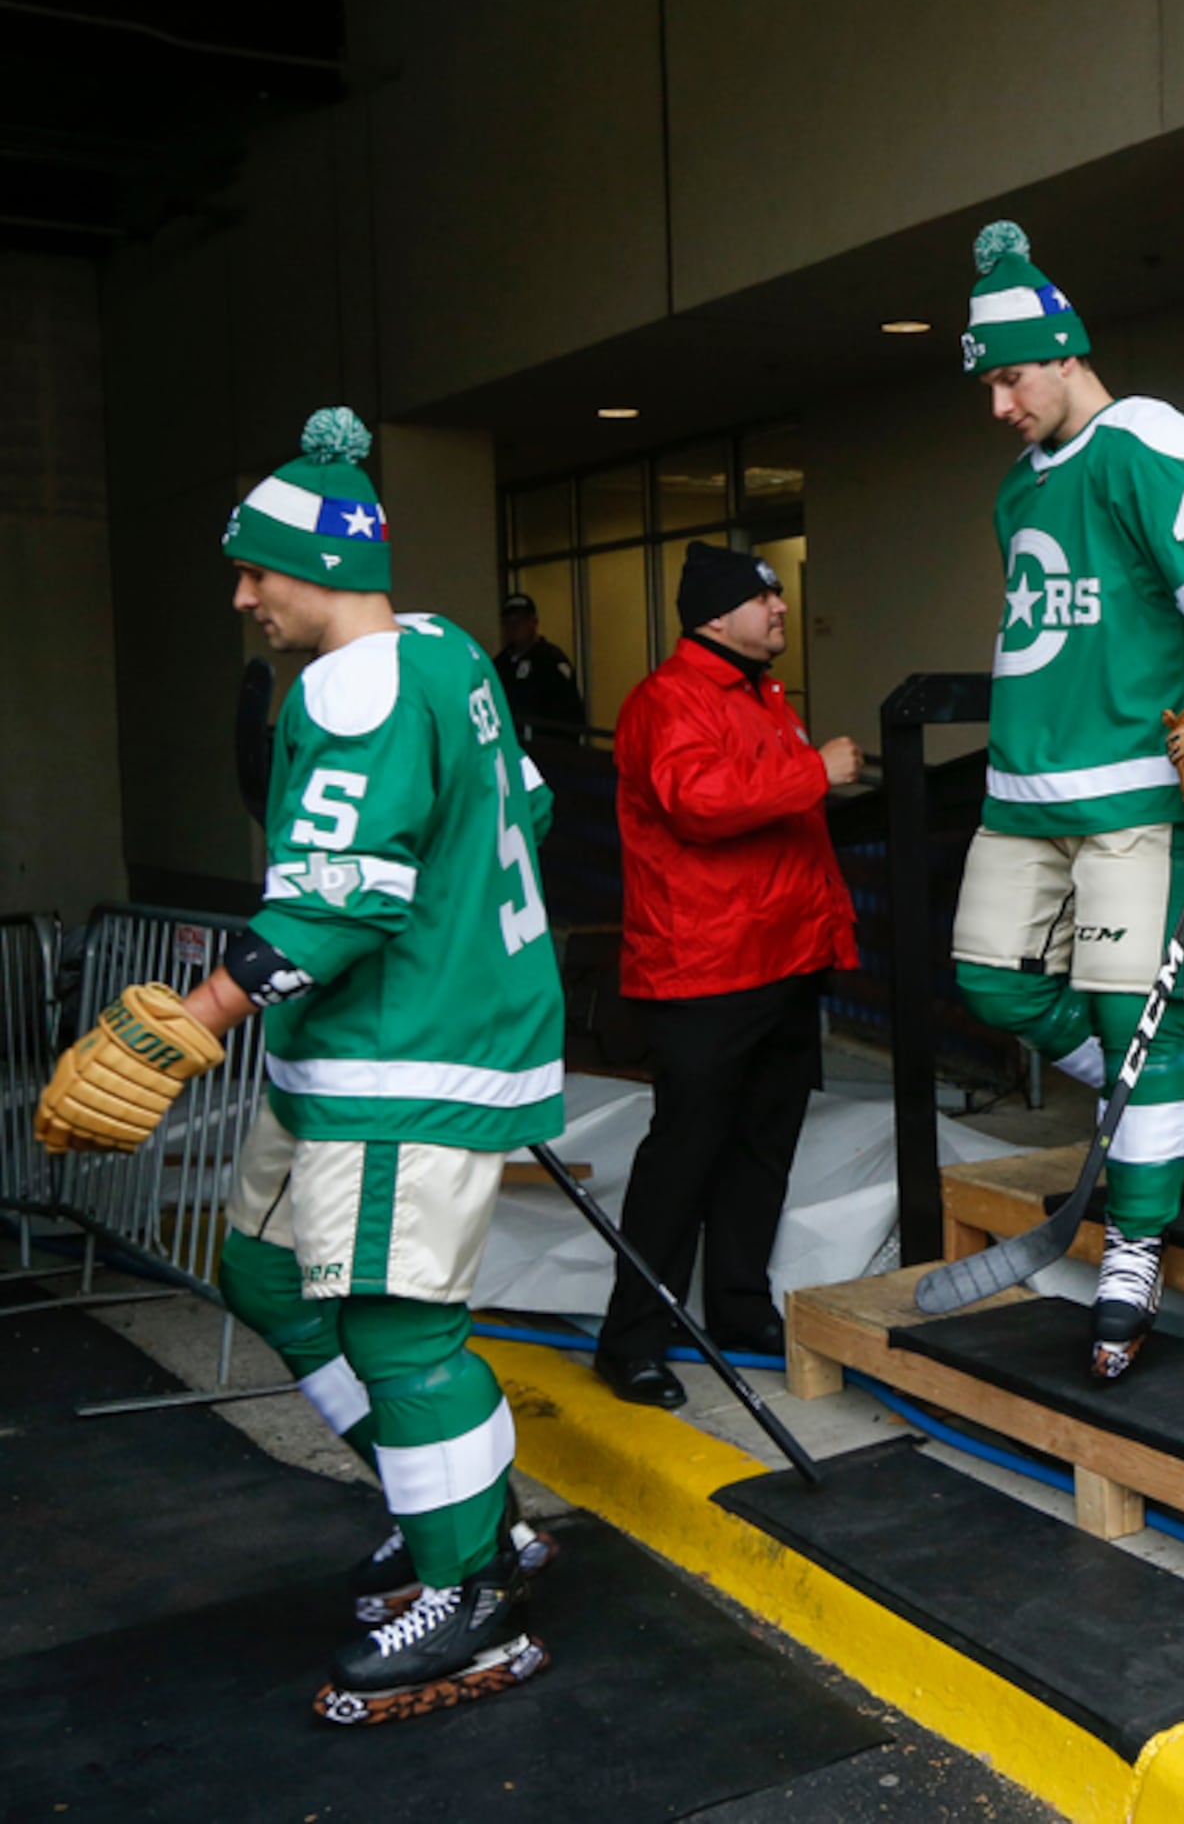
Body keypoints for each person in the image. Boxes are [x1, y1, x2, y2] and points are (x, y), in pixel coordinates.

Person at [38, 406, 565, 1724]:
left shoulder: (351, 682)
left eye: (254, 571)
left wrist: (201, 1013)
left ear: (316, 568)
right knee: (264, 1270)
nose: (240, 596)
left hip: (406, 1053)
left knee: (398, 1323)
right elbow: (533, 802)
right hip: (364, 1046)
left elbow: (338, 906)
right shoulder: (444, 649)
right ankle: (449, 1504)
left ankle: (470, 1588)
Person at [951, 220, 1184, 1380]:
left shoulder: (1150, 444)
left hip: (1134, 793)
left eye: (1008, 377)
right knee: (988, 979)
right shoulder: (1016, 491)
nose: (998, 404)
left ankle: (1134, 1241)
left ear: (1061, 351)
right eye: (988, 384)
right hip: (1022, 790)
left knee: (1130, 1014)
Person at [594, 540, 859, 1406]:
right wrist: (812, 771)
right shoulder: (668, 700)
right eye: (763, 597)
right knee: (683, 1160)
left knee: (760, 1149)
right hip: (706, 970)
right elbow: (699, 804)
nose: (781, 608)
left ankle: (737, 1309)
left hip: (778, 961)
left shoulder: (759, 696)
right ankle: (633, 1338)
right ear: (715, 616)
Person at [494, 590, 584, 742]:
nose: (513, 627)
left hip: (546, 751)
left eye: (519, 621)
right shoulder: (500, 664)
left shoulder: (551, 661)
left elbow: (570, 715)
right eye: (508, 622)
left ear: (534, 623)